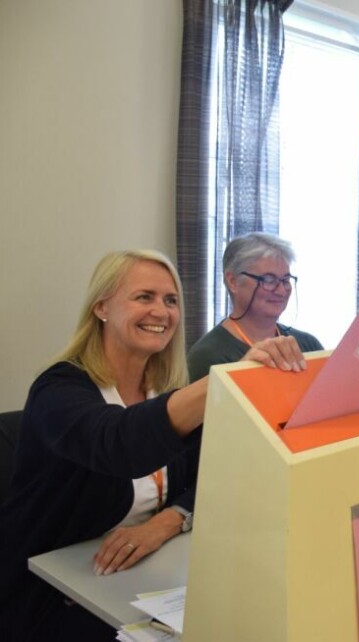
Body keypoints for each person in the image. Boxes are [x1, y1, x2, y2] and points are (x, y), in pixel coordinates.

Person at [0, 250, 305, 641]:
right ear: (101, 308)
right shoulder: (58, 389)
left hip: (136, 581)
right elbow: (120, 445)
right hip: (48, 593)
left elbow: (212, 475)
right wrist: (227, 381)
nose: (161, 311)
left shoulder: (160, 390)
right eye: (144, 297)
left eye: (171, 300)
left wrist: (169, 519)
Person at [187, 232, 322, 382]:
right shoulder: (208, 356)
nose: (281, 290)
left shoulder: (308, 345)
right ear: (233, 281)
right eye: (269, 280)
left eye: (285, 280)